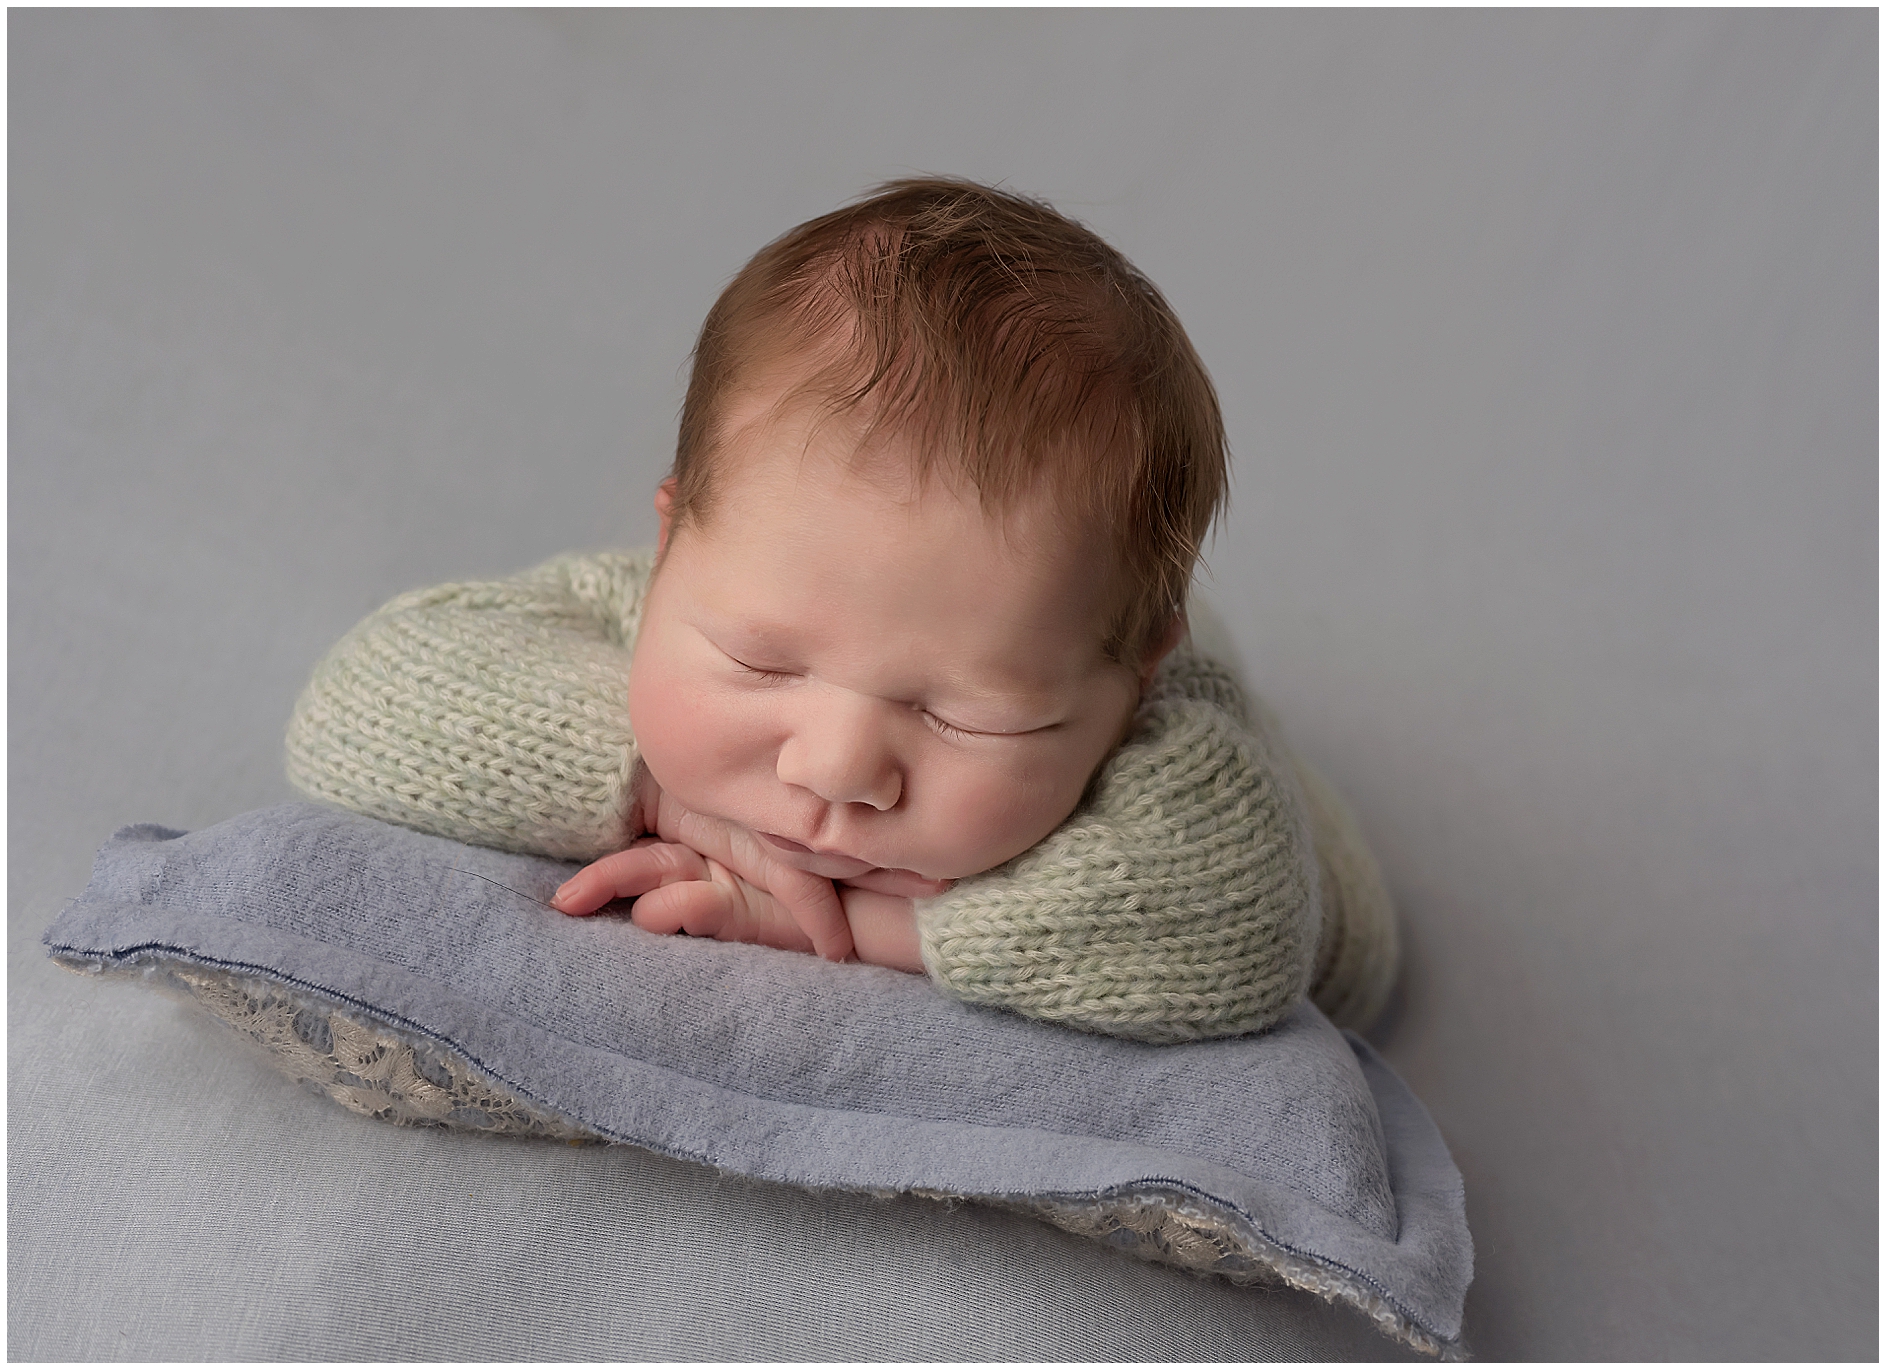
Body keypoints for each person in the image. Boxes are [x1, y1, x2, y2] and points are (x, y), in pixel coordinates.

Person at [286, 177, 1396, 1043]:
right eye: (762, 666)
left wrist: (857, 926)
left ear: (1128, 683)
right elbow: (359, 696)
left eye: (967, 717)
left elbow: (1254, 932)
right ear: (673, 542)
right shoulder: (657, 600)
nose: (835, 769)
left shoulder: (1161, 741)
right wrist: (663, 800)